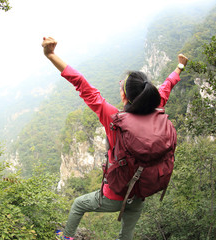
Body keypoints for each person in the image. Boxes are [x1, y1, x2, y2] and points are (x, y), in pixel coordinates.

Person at [41, 37, 188, 240]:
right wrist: (180, 66)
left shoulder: (115, 120)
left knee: (78, 204)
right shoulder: (158, 108)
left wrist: (51, 55)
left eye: (121, 86)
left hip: (116, 195)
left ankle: (66, 238)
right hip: (140, 193)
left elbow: (82, 85)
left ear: (125, 96)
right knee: (125, 237)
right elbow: (167, 86)